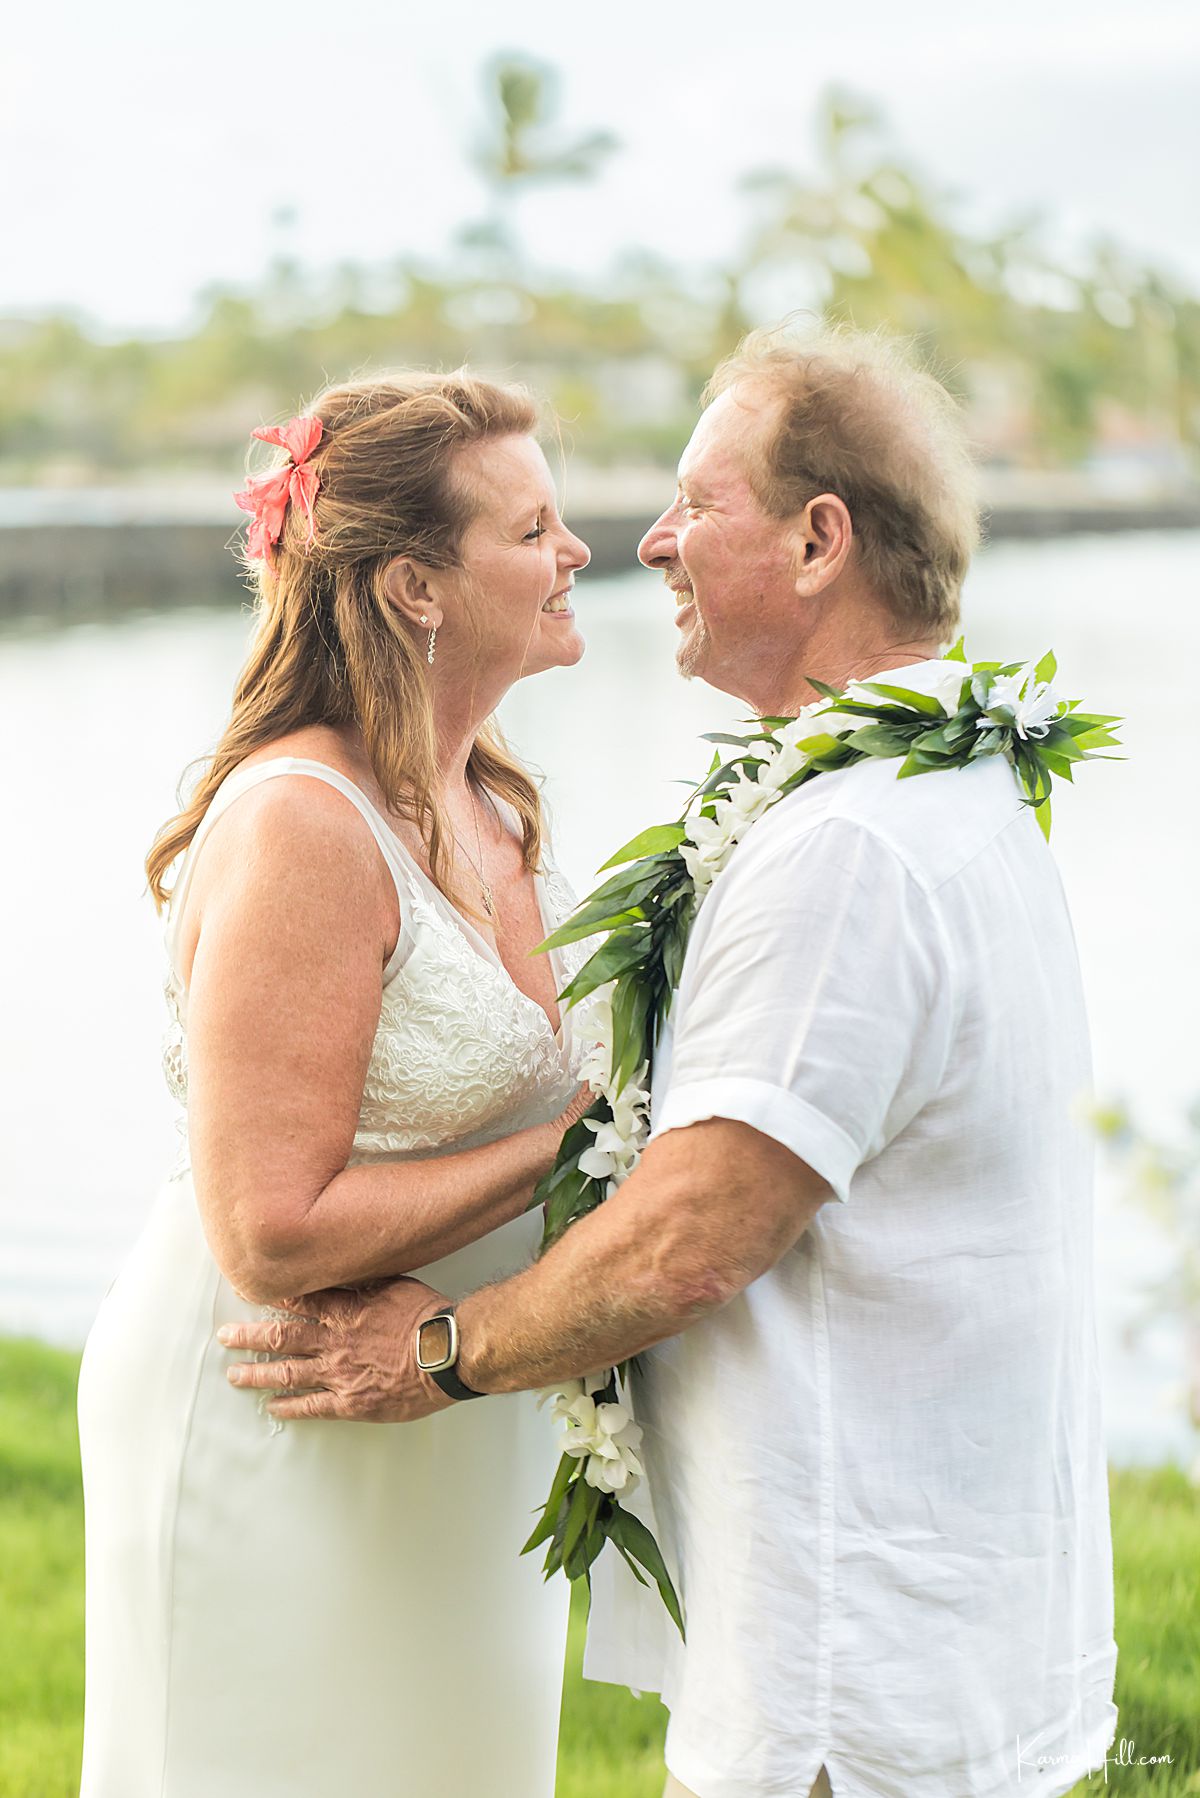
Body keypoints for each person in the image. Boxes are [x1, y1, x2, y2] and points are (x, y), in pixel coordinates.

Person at [226, 325, 1120, 1798]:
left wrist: (438, 1353)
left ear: (820, 540)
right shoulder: (944, 785)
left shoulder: (847, 843)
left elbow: (699, 1230)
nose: (641, 543)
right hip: (931, 1614)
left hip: (853, 1654)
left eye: (695, 504)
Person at [76, 371, 594, 1796]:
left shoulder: (485, 795)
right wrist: (574, 1144)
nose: (580, 552)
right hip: (279, 1407)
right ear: (418, 585)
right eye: (535, 528)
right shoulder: (307, 820)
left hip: (447, 1408)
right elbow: (270, 1229)